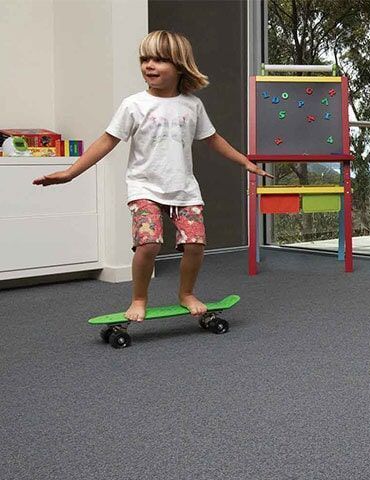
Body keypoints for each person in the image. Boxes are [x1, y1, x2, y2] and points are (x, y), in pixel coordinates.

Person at [33, 30, 271, 323]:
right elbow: (106, 141)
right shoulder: (134, 105)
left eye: (159, 60)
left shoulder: (192, 105)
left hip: (184, 189)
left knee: (195, 245)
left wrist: (244, 161)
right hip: (144, 187)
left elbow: (213, 139)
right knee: (149, 244)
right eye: (145, 59)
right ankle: (139, 298)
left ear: (180, 65)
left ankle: (186, 293)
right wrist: (72, 172)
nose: (149, 65)